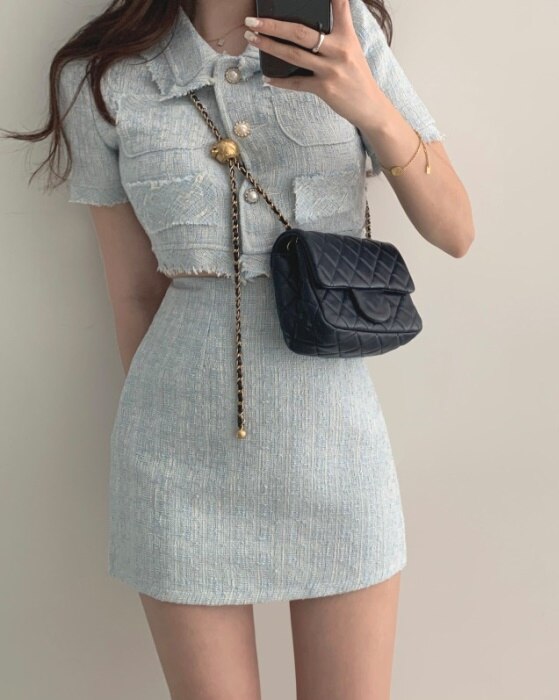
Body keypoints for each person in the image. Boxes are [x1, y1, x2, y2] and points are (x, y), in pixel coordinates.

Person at [4, 0, 474, 696]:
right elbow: (135, 294)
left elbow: (456, 230)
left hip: (336, 451)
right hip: (176, 463)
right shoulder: (102, 76)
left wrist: (367, 103)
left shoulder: (345, 31)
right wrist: (170, 436)